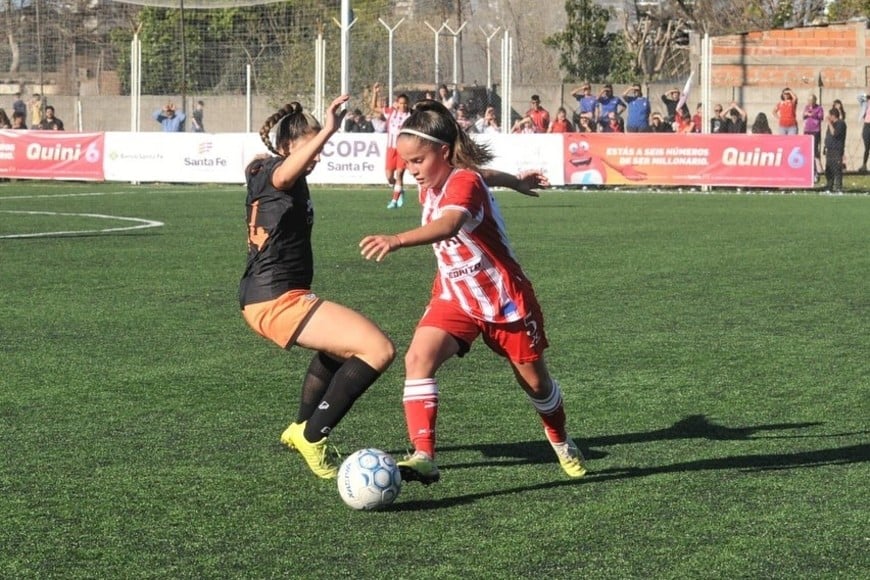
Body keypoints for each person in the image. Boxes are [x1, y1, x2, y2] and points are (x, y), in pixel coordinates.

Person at [358, 99, 587, 485]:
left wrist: (396, 239)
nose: (409, 170)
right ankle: (424, 455)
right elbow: (483, 173)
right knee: (418, 359)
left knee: (536, 384)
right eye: (405, 162)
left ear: (442, 152)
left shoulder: (462, 183)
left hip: (504, 300)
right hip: (455, 296)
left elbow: (450, 223)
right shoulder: (439, 178)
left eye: (416, 161)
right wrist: (514, 180)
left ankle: (560, 439)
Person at [241, 94, 396, 479]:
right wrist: (327, 129)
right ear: (284, 148)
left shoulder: (288, 175)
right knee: (378, 349)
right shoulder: (271, 171)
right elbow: (281, 175)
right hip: (274, 299)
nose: (317, 154)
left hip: (278, 295)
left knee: (342, 349)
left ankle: (300, 428)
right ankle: (314, 435)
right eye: (309, 146)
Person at [371, 82, 411, 209]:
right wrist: (375, 93)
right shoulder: (391, 112)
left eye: (405, 103)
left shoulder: (411, 116)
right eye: (401, 103)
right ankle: (399, 191)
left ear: (408, 104)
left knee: (399, 174)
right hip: (390, 148)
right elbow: (373, 107)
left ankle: (394, 200)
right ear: (397, 103)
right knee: (389, 177)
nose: (403, 105)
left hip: (402, 149)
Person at [823, 106, 846, 192]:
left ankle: (838, 186)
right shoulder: (831, 124)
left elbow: (834, 134)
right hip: (829, 149)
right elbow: (828, 136)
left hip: (837, 150)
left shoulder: (840, 123)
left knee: (837, 169)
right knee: (828, 169)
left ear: (833, 116)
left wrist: (829, 123)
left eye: (829, 116)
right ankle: (829, 186)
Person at [802, 94, 825, 180]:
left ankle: (815, 172)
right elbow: (803, 116)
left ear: (815, 101)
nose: (810, 103)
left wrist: (812, 114)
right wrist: (806, 114)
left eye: (811, 101)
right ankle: (807, 171)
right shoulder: (806, 107)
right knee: (807, 152)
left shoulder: (819, 108)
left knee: (814, 151)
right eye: (809, 101)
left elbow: (821, 117)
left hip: (815, 131)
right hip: (807, 130)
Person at [857, 92, 870, 172]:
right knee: (867, 147)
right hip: (867, 125)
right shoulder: (866, 103)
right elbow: (858, 97)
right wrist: (866, 95)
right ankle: (864, 165)